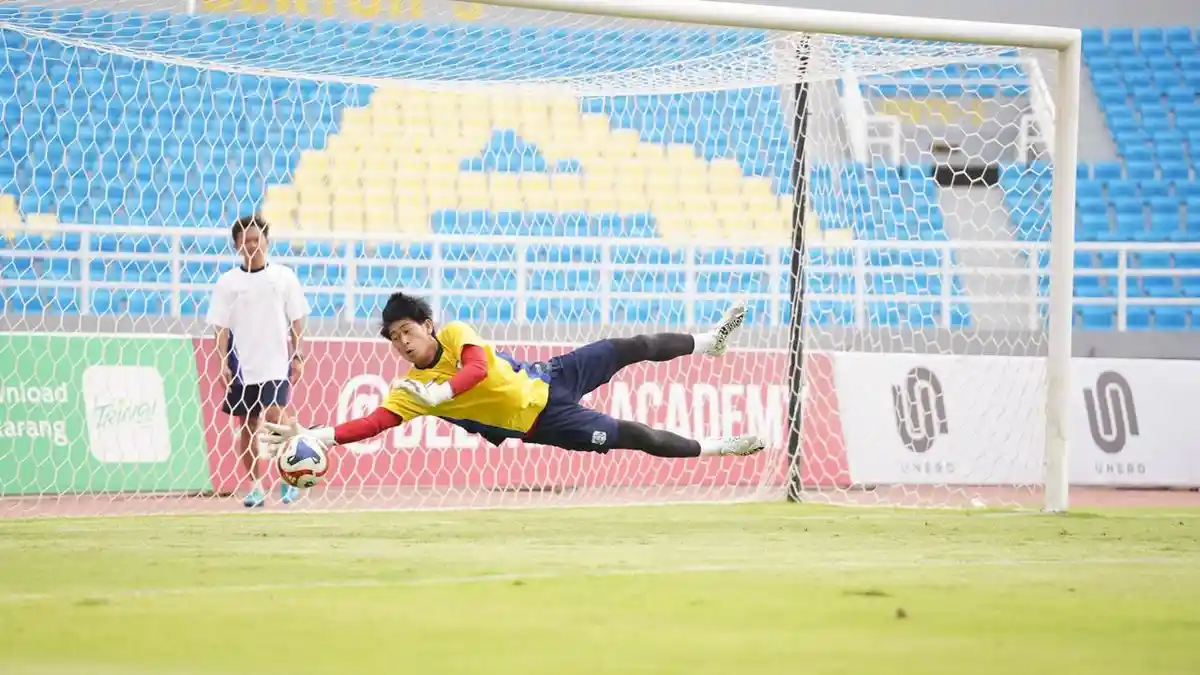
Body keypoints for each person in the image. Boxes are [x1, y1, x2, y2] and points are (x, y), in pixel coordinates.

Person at [261, 292, 765, 462]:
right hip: (545, 420)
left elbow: (478, 369)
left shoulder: (457, 334)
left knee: (631, 346)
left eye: (406, 331)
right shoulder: (407, 393)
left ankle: (709, 343)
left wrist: (440, 389)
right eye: (392, 338)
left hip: (550, 374)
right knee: (637, 435)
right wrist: (316, 435)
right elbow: (372, 424)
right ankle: (722, 446)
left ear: (428, 325)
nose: (401, 342)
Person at [206, 214, 311, 508]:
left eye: (257, 239)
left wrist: (298, 354)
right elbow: (221, 327)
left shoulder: (283, 277)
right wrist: (223, 363)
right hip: (243, 363)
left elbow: (297, 319)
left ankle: (289, 479)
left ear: (266, 241)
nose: (252, 245)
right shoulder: (228, 283)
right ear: (237, 246)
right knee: (248, 424)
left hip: (276, 360)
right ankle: (254, 486)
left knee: (277, 417)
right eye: (246, 241)